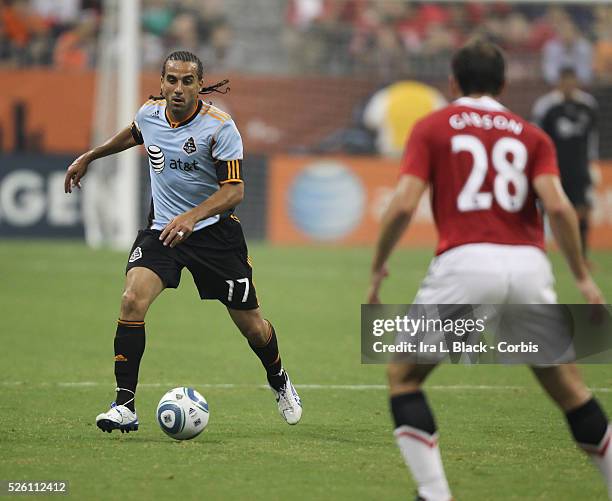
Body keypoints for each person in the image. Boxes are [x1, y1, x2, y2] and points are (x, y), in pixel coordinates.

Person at [368, 40, 610, 501]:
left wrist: (380, 265)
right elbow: (558, 206)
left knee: (404, 377)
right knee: (570, 389)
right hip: (529, 265)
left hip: (466, 263)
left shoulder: (433, 127)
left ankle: (434, 493)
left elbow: (402, 204)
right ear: (503, 84)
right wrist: (580, 274)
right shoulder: (531, 134)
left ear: (452, 81)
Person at [64, 50, 302, 433]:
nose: (178, 88)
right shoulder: (150, 113)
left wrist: (192, 217)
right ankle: (124, 405)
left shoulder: (220, 127)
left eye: (187, 81)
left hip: (215, 237)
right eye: (171, 80)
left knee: (253, 327)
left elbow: (234, 191)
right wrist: (90, 156)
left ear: (199, 85)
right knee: (131, 299)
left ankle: (279, 379)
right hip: (162, 231)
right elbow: (134, 133)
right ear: (161, 83)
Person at [532, 66, 599, 259]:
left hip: (579, 165)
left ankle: (582, 255)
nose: (568, 85)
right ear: (559, 82)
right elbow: (537, 136)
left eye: (572, 81)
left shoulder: (588, 104)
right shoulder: (545, 106)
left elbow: (592, 136)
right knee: (547, 207)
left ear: (576, 82)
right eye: (565, 81)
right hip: (553, 167)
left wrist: (592, 162)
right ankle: (540, 250)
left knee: (583, 209)